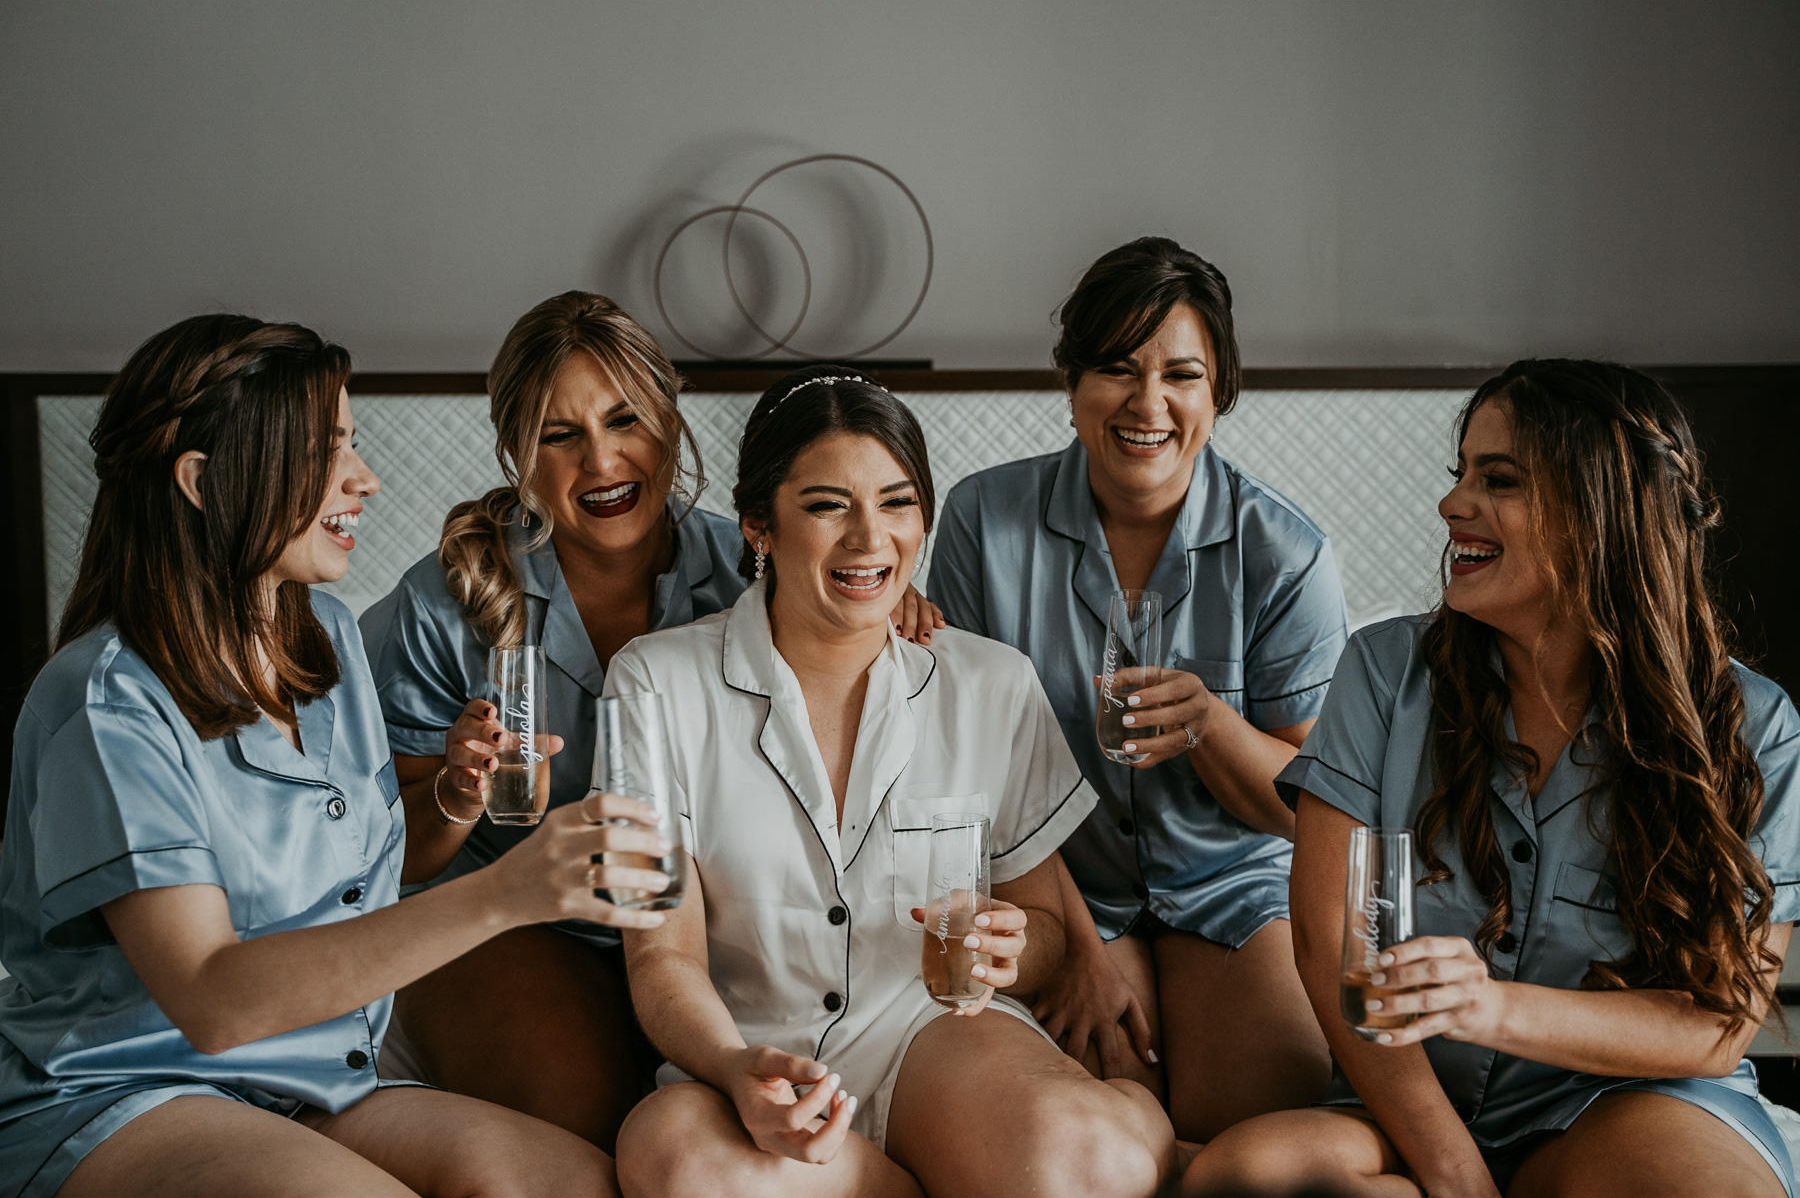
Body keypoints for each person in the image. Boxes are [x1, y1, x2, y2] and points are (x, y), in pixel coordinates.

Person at [0, 314, 669, 1198]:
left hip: (315, 1078)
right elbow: (214, 999)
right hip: (133, 1091)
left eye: (351, 445)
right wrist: (507, 891)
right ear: (203, 481)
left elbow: (380, 876)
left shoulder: (327, 641)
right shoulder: (109, 701)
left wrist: (452, 801)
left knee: (577, 1184)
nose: (365, 478)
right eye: (326, 452)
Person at [1186, 359, 1798, 1198]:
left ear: (1600, 509)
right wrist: (1454, 1173)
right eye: (1461, 474)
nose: (1451, 505)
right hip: (1414, 1103)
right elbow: (1333, 950)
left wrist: (1488, 1008)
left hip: (1625, 1103)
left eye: (1498, 479)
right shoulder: (1382, 672)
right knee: (1245, 1178)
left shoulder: (1753, 727)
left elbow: (1717, 1025)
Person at [360, 292, 942, 1148]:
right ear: (521, 452)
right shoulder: (442, 606)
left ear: (670, 421)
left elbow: (857, 588)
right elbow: (393, 858)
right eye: (560, 435)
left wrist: (874, 592)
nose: (601, 459)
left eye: (625, 420)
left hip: (707, 921)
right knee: (591, 1123)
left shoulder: (754, 564)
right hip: (512, 915)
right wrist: (455, 792)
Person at [606, 367, 1177, 1198]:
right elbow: (663, 957)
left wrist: (1015, 945)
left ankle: (1086, 1131)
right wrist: (734, 1068)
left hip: (936, 1035)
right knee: (679, 1163)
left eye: (898, 503)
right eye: (828, 504)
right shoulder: (655, 684)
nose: (870, 539)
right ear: (759, 525)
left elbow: (1046, 928)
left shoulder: (991, 684)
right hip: (752, 1053)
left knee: (1093, 1165)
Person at [927, 237, 1343, 1138]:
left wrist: (1210, 724)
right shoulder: (981, 520)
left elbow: (1307, 810)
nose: (1148, 404)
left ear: (1219, 391)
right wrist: (1077, 948)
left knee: (1261, 1129)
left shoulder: (1288, 556)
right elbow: (972, 768)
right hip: (1059, 879)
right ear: (1071, 382)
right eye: (1116, 368)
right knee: (1102, 1128)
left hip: (1234, 884)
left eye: (1182, 375)